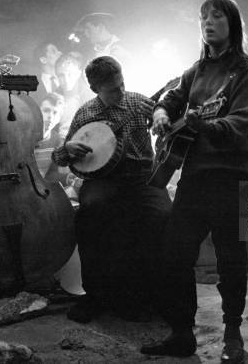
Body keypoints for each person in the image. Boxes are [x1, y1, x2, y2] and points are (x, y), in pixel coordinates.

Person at [142, 0, 248, 364]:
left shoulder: (247, 71)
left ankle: (232, 334)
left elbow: (240, 124)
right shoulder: (194, 71)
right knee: (175, 255)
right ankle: (182, 334)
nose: (208, 22)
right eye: (203, 17)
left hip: (233, 176)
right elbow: (169, 99)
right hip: (195, 176)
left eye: (216, 16)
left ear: (233, 23)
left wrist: (203, 124)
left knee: (231, 259)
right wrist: (163, 114)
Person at [51, 55, 171, 322]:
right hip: (103, 181)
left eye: (122, 83)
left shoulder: (138, 102)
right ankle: (94, 297)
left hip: (143, 178)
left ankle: (159, 297)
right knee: (89, 215)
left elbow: (164, 118)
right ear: (95, 89)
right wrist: (67, 149)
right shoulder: (86, 113)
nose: (121, 91)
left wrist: (162, 119)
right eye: (113, 89)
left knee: (163, 216)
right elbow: (60, 159)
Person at [54, 51, 93, 136]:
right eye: (61, 75)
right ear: (56, 76)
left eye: (70, 74)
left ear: (78, 74)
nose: (66, 79)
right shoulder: (53, 98)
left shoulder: (91, 98)